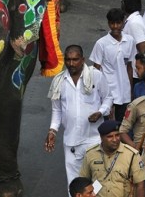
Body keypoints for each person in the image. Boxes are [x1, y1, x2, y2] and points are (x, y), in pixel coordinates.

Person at [45, 45, 113, 186]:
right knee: (74, 182)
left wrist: (100, 112)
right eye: (68, 60)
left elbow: (108, 98)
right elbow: (57, 110)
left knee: (98, 180)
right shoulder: (59, 81)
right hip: (71, 141)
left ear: (83, 60)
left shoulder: (95, 76)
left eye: (75, 60)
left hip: (94, 139)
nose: (71, 64)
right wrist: (52, 130)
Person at [79, 121, 145, 197]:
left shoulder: (131, 155)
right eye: (110, 136)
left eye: (117, 135)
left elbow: (140, 185)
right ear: (101, 137)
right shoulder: (90, 154)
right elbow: (82, 182)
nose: (115, 139)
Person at [90, 9, 134, 123]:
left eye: (118, 23)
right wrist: (96, 94)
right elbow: (96, 70)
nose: (115, 26)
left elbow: (130, 66)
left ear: (123, 22)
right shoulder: (101, 43)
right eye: (112, 23)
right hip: (108, 93)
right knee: (108, 127)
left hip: (124, 93)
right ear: (108, 23)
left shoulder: (130, 41)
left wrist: (130, 89)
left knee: (121, 126)